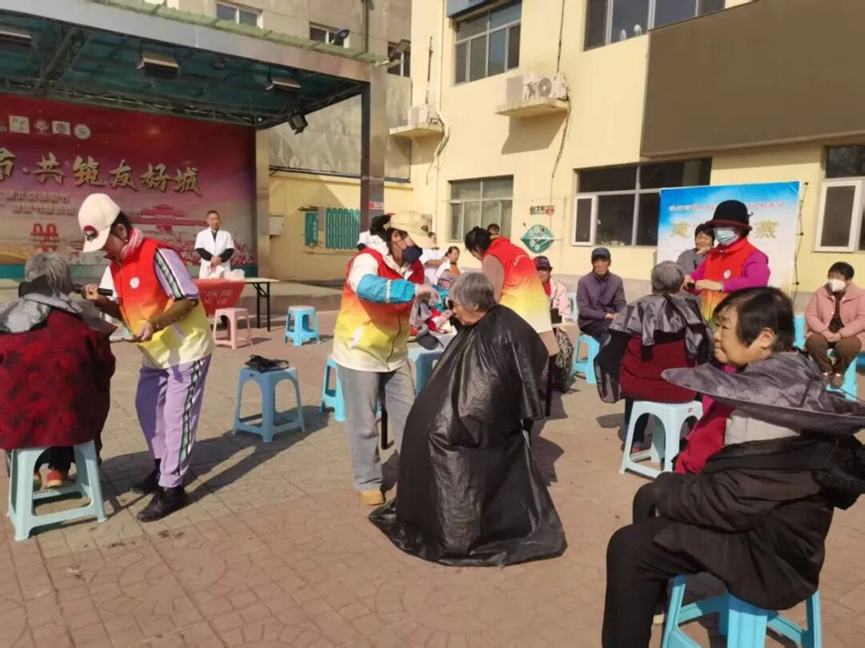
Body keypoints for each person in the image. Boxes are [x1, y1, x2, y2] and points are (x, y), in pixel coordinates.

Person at [602, 287, 865, 648]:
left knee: (628, 545)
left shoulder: (766, 405)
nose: (716, 334)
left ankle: (644, 598)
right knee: (651, 499)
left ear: (764, 338)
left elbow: (730, 503)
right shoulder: (792, 373)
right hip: (780, 530)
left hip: (769, 555)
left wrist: (668, 487)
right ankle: (650, 595)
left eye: (725, 326)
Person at [368, 273, 567, 566]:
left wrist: (458, 420)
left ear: (475, 304)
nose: (453, 310)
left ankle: (456, 529)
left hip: (481, 425)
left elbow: (489, 395)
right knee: (423, 432)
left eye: (456, 304)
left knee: (439, 438)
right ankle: (425, 511)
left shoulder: (503, 330)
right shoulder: (479, 323)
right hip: (461, 415)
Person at [78, 194, 214, 522]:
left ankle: (172, 488)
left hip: (186, 350)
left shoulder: (158, 254)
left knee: (177, 417)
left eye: (105, 243)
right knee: (147, 408)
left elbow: (188, 299)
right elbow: (126, 311)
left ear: (121, 231)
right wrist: (102, 303)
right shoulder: (117, 266)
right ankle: (162, 466)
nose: (104, 251)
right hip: (154, 354)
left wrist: (155, 323)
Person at [332, 212, 440, 506]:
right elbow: (367, 287)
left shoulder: (415, 267)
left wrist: (439, 301)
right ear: (396, 236)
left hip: (395, 353)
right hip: (359, 353)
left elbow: (421, 297)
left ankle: (413, 473)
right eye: (416, 242)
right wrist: (412, 290)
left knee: (410, 417)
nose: (420, 250)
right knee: (364, 423)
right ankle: (368, 480)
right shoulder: (367, 260)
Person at [0, 253, 115, 490]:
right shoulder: (84, 321)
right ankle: (59, 470)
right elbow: (105, 367)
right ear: (65, 282)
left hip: (15, 427)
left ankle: (28, 471)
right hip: (74, 425)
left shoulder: (4, 318)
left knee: (17, 401)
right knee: (72, 398)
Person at [594, 262, 713, 452]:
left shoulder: (636, 307)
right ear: (680, 284)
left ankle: (634, 440)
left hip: (639, 386)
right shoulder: (691, 310)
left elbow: (613, 345)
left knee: (632, 373)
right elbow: (706, 347)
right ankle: (695, 437)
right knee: (698, 374)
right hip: (681, 389)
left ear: (653, 282)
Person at [464, 226, 556, 355]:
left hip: (517, 315)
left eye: (473, 254)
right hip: (538, 311)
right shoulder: (515, 249)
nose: (476, 258)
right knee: (538, 357)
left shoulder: (491, 257)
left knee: (517, 359)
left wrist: (474, 317)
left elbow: (491, 296)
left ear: (476, 249)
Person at [685, 200, 770, 322]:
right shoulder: (713, 254)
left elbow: (758, 282)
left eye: (725, 226)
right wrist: (688, 281)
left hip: (738, 324)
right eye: (717, 226)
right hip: (709, 322)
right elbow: (697, 277)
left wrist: (721, 285)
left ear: (740, 229)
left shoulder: (753, 255)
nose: (719, 230)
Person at [805, 261, 865, 388]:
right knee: (813, 342)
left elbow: (862, 319)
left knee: (847, 347)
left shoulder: (861, 295)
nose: (833, 280)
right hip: (824, 332)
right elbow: (810, 314)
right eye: (831, 276)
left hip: (850, 335)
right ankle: (825, 370)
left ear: (848, 280)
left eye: (838, 277)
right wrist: (824, 331)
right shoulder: (820, 292)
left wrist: (841, 334)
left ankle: (839, 371)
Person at [535, 255, 575, 393]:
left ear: (549, 271)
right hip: (533, 330)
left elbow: (565, 312)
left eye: (544, 269)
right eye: (538, 269)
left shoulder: (559, 288)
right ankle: (537, 385)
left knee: (566, 348)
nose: (541, 272)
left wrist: (559, 329)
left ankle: (560, 381)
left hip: (555, 328)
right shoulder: (526, 289)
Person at [576, 247, 627, 345]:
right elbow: (584, 310)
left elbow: (620, 302)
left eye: (603, 261)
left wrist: (619, 313)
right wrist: (605, 315)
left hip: (611, 319)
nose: (600, 265)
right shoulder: (584, 282)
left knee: (626, 329)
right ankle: (604, 355)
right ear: (592, 263)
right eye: (596, 261)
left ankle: (618, 355)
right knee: (608, 329)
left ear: (609, 263)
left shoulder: (617, 281)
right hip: (589, 322)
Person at [194, 210, 235, 279]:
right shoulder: (201, 234)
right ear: (207, 221)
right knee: (207, 285)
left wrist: (219, 259)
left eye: (217, 219)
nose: (215, 221)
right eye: (212, 219)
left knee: (223, 284)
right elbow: (200, 249)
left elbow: (230, 249)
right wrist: (211, 258)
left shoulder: (226, 234)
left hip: (223, 266)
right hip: (208, 267)